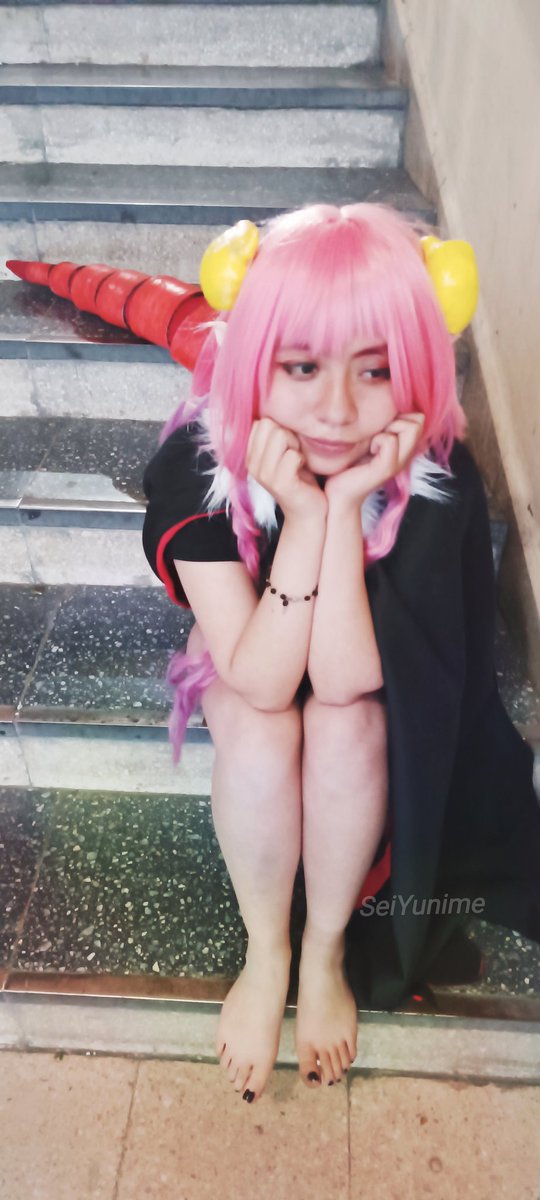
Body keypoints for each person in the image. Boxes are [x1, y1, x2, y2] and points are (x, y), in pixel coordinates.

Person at [141, 202, 540, 1106]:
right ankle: (267, 950)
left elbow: (347, 678)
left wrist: (345, 497)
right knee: (259, 730)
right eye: (301, 367)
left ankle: (322, 952)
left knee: (348, 725)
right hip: (252, 651)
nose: (336, 408)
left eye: (376, 369)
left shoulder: (430, 474)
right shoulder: (198, 466)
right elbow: (264, 680)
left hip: (347, 662)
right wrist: (305, 513)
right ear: (256, 363)